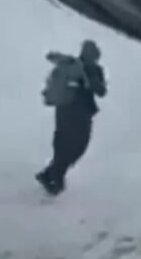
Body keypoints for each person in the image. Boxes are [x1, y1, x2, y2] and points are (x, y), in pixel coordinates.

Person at [36, 40, 107, 195]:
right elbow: (101, 91)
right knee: (79, 145)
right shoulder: (92, 68)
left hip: (62, 109)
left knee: (62, 142)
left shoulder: (70, 65)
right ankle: (53, 176)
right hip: (80, 112)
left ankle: (52, 176)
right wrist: (93, 82)